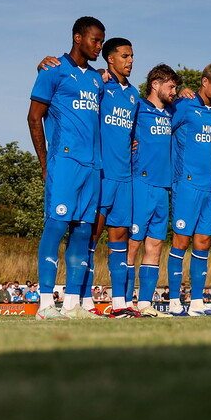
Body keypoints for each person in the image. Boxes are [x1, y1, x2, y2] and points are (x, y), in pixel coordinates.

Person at [38, 37, 138, 318]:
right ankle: (80, 300)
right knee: (85, 235)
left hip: (120, 176)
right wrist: (43, 66)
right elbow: (66, 83)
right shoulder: (98, 82)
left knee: (108, 235)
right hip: (94, 170)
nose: (130, 61)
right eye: (125, 56)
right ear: (110, 58)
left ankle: (106, 303)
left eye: (132, 56)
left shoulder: (134, 95)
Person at [27, 16, 106, 320]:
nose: (98, 46)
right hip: (65, 161)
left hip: (92, 166)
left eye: (101, 41)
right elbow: (34, 118)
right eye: (94, 40)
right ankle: (45, 304)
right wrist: (45, 163)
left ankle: (72, 305)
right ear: (78, 38)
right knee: (57, 226)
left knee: (83, 231)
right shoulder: (53, 69)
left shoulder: (97, 80)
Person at [166, 63, 211, 316]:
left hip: (209, 185)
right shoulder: (183, 104)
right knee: (181, 240)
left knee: (203, 242)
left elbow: (205, 142)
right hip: (186, 183)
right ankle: (172, 300)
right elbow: (163, 129)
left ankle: (196, 303)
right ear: (205, 82)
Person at [126, 64, 181, 318]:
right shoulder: (136, 107)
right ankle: (123, 301)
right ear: (155, 85)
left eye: (176, 87)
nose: (174, 91)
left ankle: (145, 304)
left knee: (155, 244)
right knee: (132, 244)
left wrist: (186, 90)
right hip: (141, 183)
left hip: (163, 186)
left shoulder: (173, 110)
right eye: (170, 86)